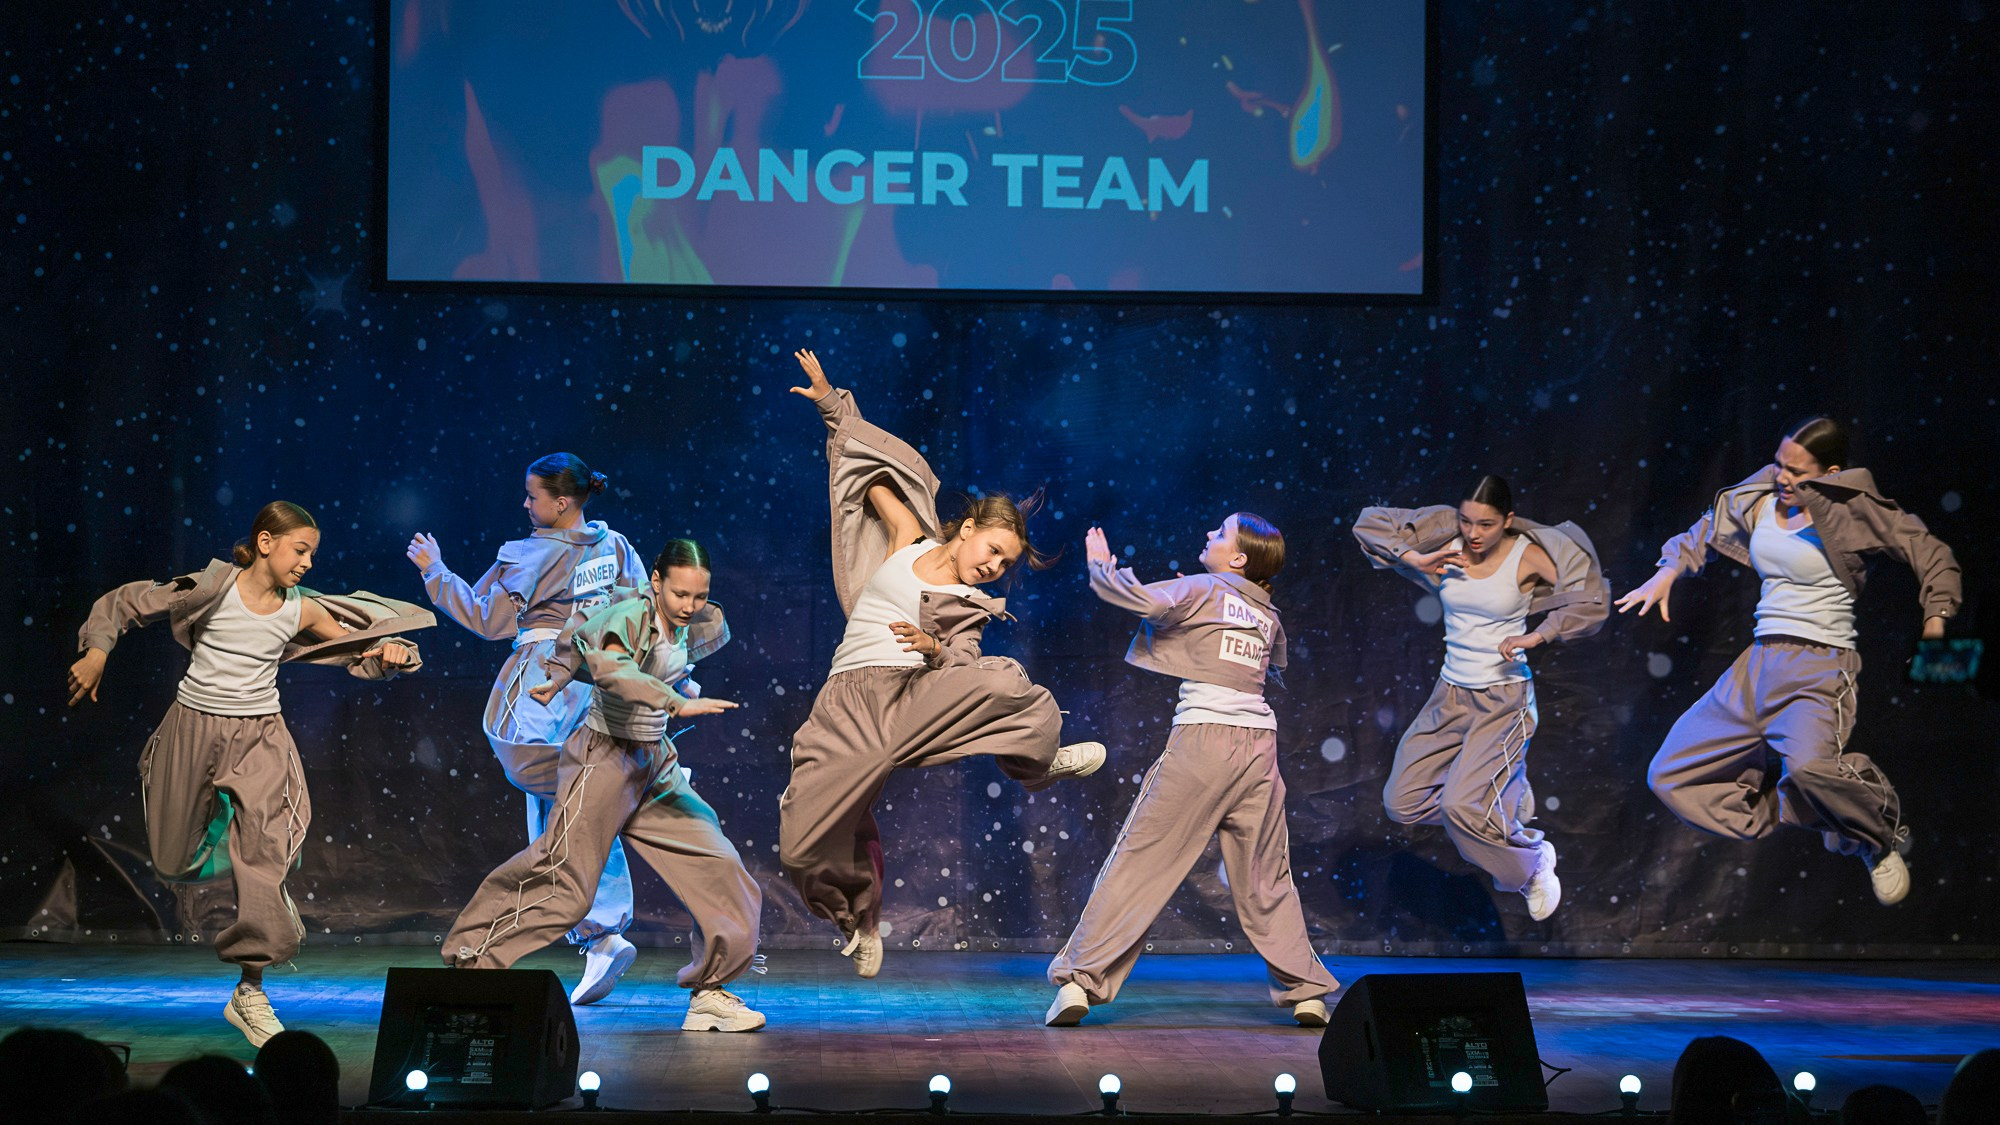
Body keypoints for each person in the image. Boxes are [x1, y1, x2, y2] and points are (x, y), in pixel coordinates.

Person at [778, 349, 1105, 979]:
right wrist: (830, 406)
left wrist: (933, 649)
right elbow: (861, 469)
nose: (994, 566)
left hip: (908, 699)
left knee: (1003, 679)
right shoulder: (907, 541)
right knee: (802, 839)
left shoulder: (971, 605)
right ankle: (860, 918)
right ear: (968, 527)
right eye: (993, 550)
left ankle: (1038, 758)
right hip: (846, 700)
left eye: (1006, 564)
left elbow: (961, 663)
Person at [69, 501, 429, 1046]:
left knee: (266, 845)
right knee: (172, 858)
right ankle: (253, 863)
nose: (307, 562)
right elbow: (124, 603)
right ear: (266, 543)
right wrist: (97, 651)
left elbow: (354, 651)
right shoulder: (210, 589)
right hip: (192, 728)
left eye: (312, 553)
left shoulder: (303, 610)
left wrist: (388, 655)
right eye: (299, 549)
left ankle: (250, 986)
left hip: (260, 734)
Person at [1618, 417, 1961, 905]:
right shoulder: (1758, 502)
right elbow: (1705, 532)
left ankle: (1876, 833)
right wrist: (1669, 571)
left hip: (1820, 667)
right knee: (1669, 774)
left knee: (1812, 771)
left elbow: (1930, 553)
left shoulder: (1853, 511)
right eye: (1779, 464)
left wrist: (1936, 619)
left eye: (1797, 472)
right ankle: (1814, 809)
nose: (1782, 477)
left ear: (1831, 473)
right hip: (1758, 664)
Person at [442, 540, 767, 1032]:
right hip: (603, 757)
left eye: (700, 596)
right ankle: (471, 962)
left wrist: (567, 675)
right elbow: (614, 668)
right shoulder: (631, 613)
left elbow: (580, 631)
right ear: (656, 582)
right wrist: (672, 701)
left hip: (654, 763)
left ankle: (710, 993)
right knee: (565, 884)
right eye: (680, 594)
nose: (689, 606)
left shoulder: (687, 621)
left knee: (719, 863)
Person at [1046, 515, 1339, 1027]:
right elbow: (1267, 669)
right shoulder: (1267, 611)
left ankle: (1080, 981)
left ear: (1240, 559)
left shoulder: (1207, 587)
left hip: (1204, 744)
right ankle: (1306, 991)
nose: (1209, 536)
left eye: (1221, 534)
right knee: (1267, 878)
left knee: (1141, 860)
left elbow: (1148, 602)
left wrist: (1101, 572)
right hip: (1259, 753)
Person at [407, 452, 651, 1005]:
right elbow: (642, 614)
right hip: (601, 681)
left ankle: (595, 931)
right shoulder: (617, 547)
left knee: (560, 801)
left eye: (532, 495)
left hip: (546, 681)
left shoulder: (528, 552)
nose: (525, 504)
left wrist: (434, 571)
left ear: (561, 502)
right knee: (586, 799)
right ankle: (601, 930)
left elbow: (488, 619)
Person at [1353, 475, 1608, 920]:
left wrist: (1540, 636)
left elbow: (1591, 599)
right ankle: (1505, 805)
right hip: (1450, 695)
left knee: (1460, 806)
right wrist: (1417, 557)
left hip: (1503, 700)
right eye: (1467, 521)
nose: (1473, 533)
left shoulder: (1527, 556)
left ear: (1508, 521)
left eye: (1486, 525)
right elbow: (1369, 526)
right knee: (1403, 801)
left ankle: (1530, 863)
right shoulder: (1447, 546)